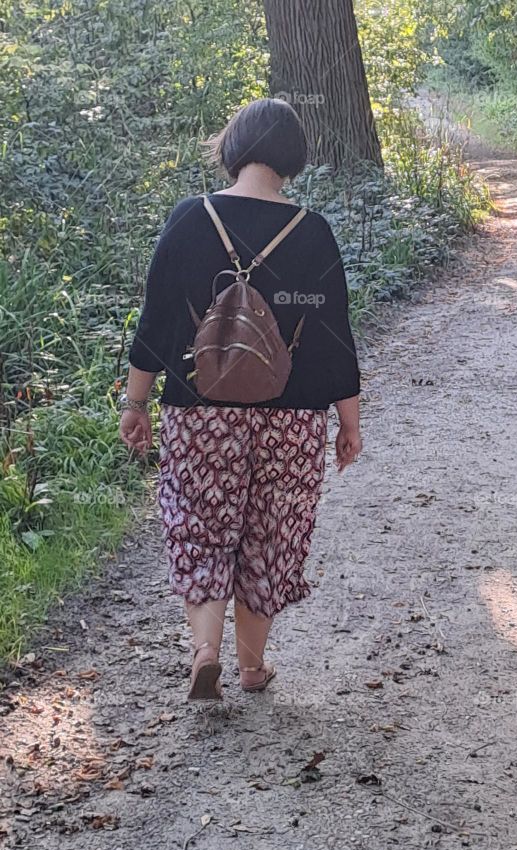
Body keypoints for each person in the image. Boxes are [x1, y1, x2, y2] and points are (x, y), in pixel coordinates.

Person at [120, 98, 362, 701]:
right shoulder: (313, 231)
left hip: (201, 410)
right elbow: (334, 337)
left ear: (233, 147)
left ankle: (205, 649)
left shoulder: (188, 219)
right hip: (291, 415)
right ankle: (252, 665)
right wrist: (348, 422)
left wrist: (136, 402)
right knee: (271, 532)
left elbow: (154, 324)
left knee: (201, 524)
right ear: (293, 157)